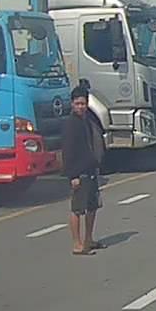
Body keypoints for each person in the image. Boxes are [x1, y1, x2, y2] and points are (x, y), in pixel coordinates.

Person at [62, 85, 104, 255]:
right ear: (72, 104)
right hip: (79, 173)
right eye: (77, 103)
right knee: (77, 209)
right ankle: (77, 244)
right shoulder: (70, 124)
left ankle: (88, 239)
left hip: (91, 169)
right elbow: (67, 151)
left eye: (83, 103)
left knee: (92, 207)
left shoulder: (87, 121)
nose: (81, 107)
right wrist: (73, 175)